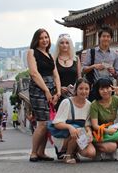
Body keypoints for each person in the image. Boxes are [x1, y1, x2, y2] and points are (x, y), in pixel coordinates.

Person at [27, 28, 62, 162]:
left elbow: (56, 75)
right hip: (38, 89)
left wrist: (58, 92)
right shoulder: (32, 52)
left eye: (46, 37)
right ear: (36, 40)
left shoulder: (50, 55)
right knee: (42, 122)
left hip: (52, 90)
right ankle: (34, 152)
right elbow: (34, 73)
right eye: (41, 38)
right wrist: (46, 91)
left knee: (48, 122)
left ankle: (41, 151)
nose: (44, 40)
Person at [90, 77, 118, 160]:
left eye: (107, 88)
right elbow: (95, 125)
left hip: (111, 128)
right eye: (102, 89)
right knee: (112, 146)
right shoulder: (94, 104)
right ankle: (100, 150)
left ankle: (110, 150)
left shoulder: (115, 99)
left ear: (112, 88)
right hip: (99, 132)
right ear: (98, 91)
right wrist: (107, 130)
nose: (105, 91)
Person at [53, 78, 95, 164]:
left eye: (86, 89)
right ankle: (67, 155)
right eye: (81, 88)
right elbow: (57, 123)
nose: (84, 91)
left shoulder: (89, 104)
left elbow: (87, 125)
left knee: (91, 153)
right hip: (63, 136)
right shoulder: (67, 102)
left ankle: (74, 152)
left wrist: (89, 133)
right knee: (78, 130)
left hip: (78, 134)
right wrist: (70, 127)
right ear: (76, 90)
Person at [82, 25, 118, 101]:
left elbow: (117, 74)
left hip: (109, 89)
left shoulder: (115, 54)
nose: (106, 38)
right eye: (103, 36)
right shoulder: (91, 52)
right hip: (95, 88)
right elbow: (83, 70)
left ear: (111, 38)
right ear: (99, 38)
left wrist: (114, 72)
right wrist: (93, 66)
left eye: (108, 36)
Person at [54, 33, 81, 110]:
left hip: (74, 95)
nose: (64, 45)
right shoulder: (54, 60)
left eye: (67, 43)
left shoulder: (76, 59)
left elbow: (79, 78)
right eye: (62, 43)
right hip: (59, 95)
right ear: (58, 45)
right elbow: (52, 78)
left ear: (70, 44)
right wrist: (59, 88)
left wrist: (76, 89)